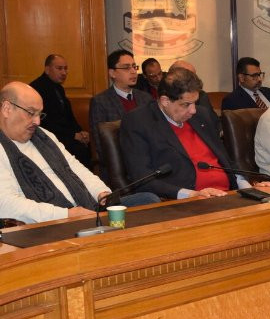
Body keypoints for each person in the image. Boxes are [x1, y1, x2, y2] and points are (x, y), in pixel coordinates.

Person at [0, 82, 156, 224]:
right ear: (7, 109)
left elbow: (75, 167)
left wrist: (101, 192)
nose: (37, 122)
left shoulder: (44, 136)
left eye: (39, 114)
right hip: (53, 223)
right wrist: (66, 214)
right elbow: (6, 205)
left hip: (87, 208)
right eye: (30, 113)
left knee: (148, 199)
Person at [120, 66, 251, 200]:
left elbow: (226, 160)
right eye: (186, 104)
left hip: (228, 195)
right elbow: (142, 178)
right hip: (186, 201)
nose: (193, 110)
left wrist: (247, 188)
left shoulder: (202, 115)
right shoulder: (138, 122)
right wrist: (190, 194)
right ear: (165, 101)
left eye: (195, 102)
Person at [88, 49, 151, 185]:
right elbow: (102, 146)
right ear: (112, 73)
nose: (133, 72)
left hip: (149, 165)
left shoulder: (146, 98)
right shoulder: (101, 101)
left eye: (134, 67)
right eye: (126, 68)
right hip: (119, 170)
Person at [30, 53, 92, 166]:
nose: (64, 73)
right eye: (59, 68)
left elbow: (69, 117)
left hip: (65, 135)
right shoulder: (36, 89)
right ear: (47, 69)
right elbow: (45, 122)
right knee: (79, 150)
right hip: (49, 137)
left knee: (85, 145)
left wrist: (80, 132)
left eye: (65, 68)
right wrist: (73, 135)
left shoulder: (59, 88)